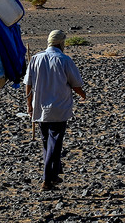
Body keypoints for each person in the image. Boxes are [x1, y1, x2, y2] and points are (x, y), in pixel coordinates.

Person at [23, 30, 87, 189]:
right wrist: (83, 95)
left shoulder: (36, 58)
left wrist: (29, 104)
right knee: (54, 143)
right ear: (61, 43)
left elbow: (28, 85)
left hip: (40, 108)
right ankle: (47, 178)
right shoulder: (65, 60)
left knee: (47, 142)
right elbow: (75, 84)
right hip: (59, 108)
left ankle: (55, 173)